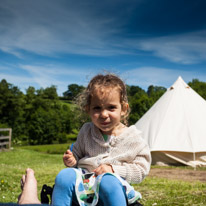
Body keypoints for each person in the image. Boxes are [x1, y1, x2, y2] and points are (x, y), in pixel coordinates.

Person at [18, 73, 151, 206]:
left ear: (123, 109)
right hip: (84, 187)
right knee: (64, 176)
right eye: (97, 108)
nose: (104, 114)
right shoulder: (86, 131)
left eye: (111, 107)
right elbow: (77, 153)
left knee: (107, 181)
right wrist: (72, 159)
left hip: (113, 191)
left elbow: (141, 170)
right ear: (88, 109)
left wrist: (113, 169)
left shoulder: (134, 139)